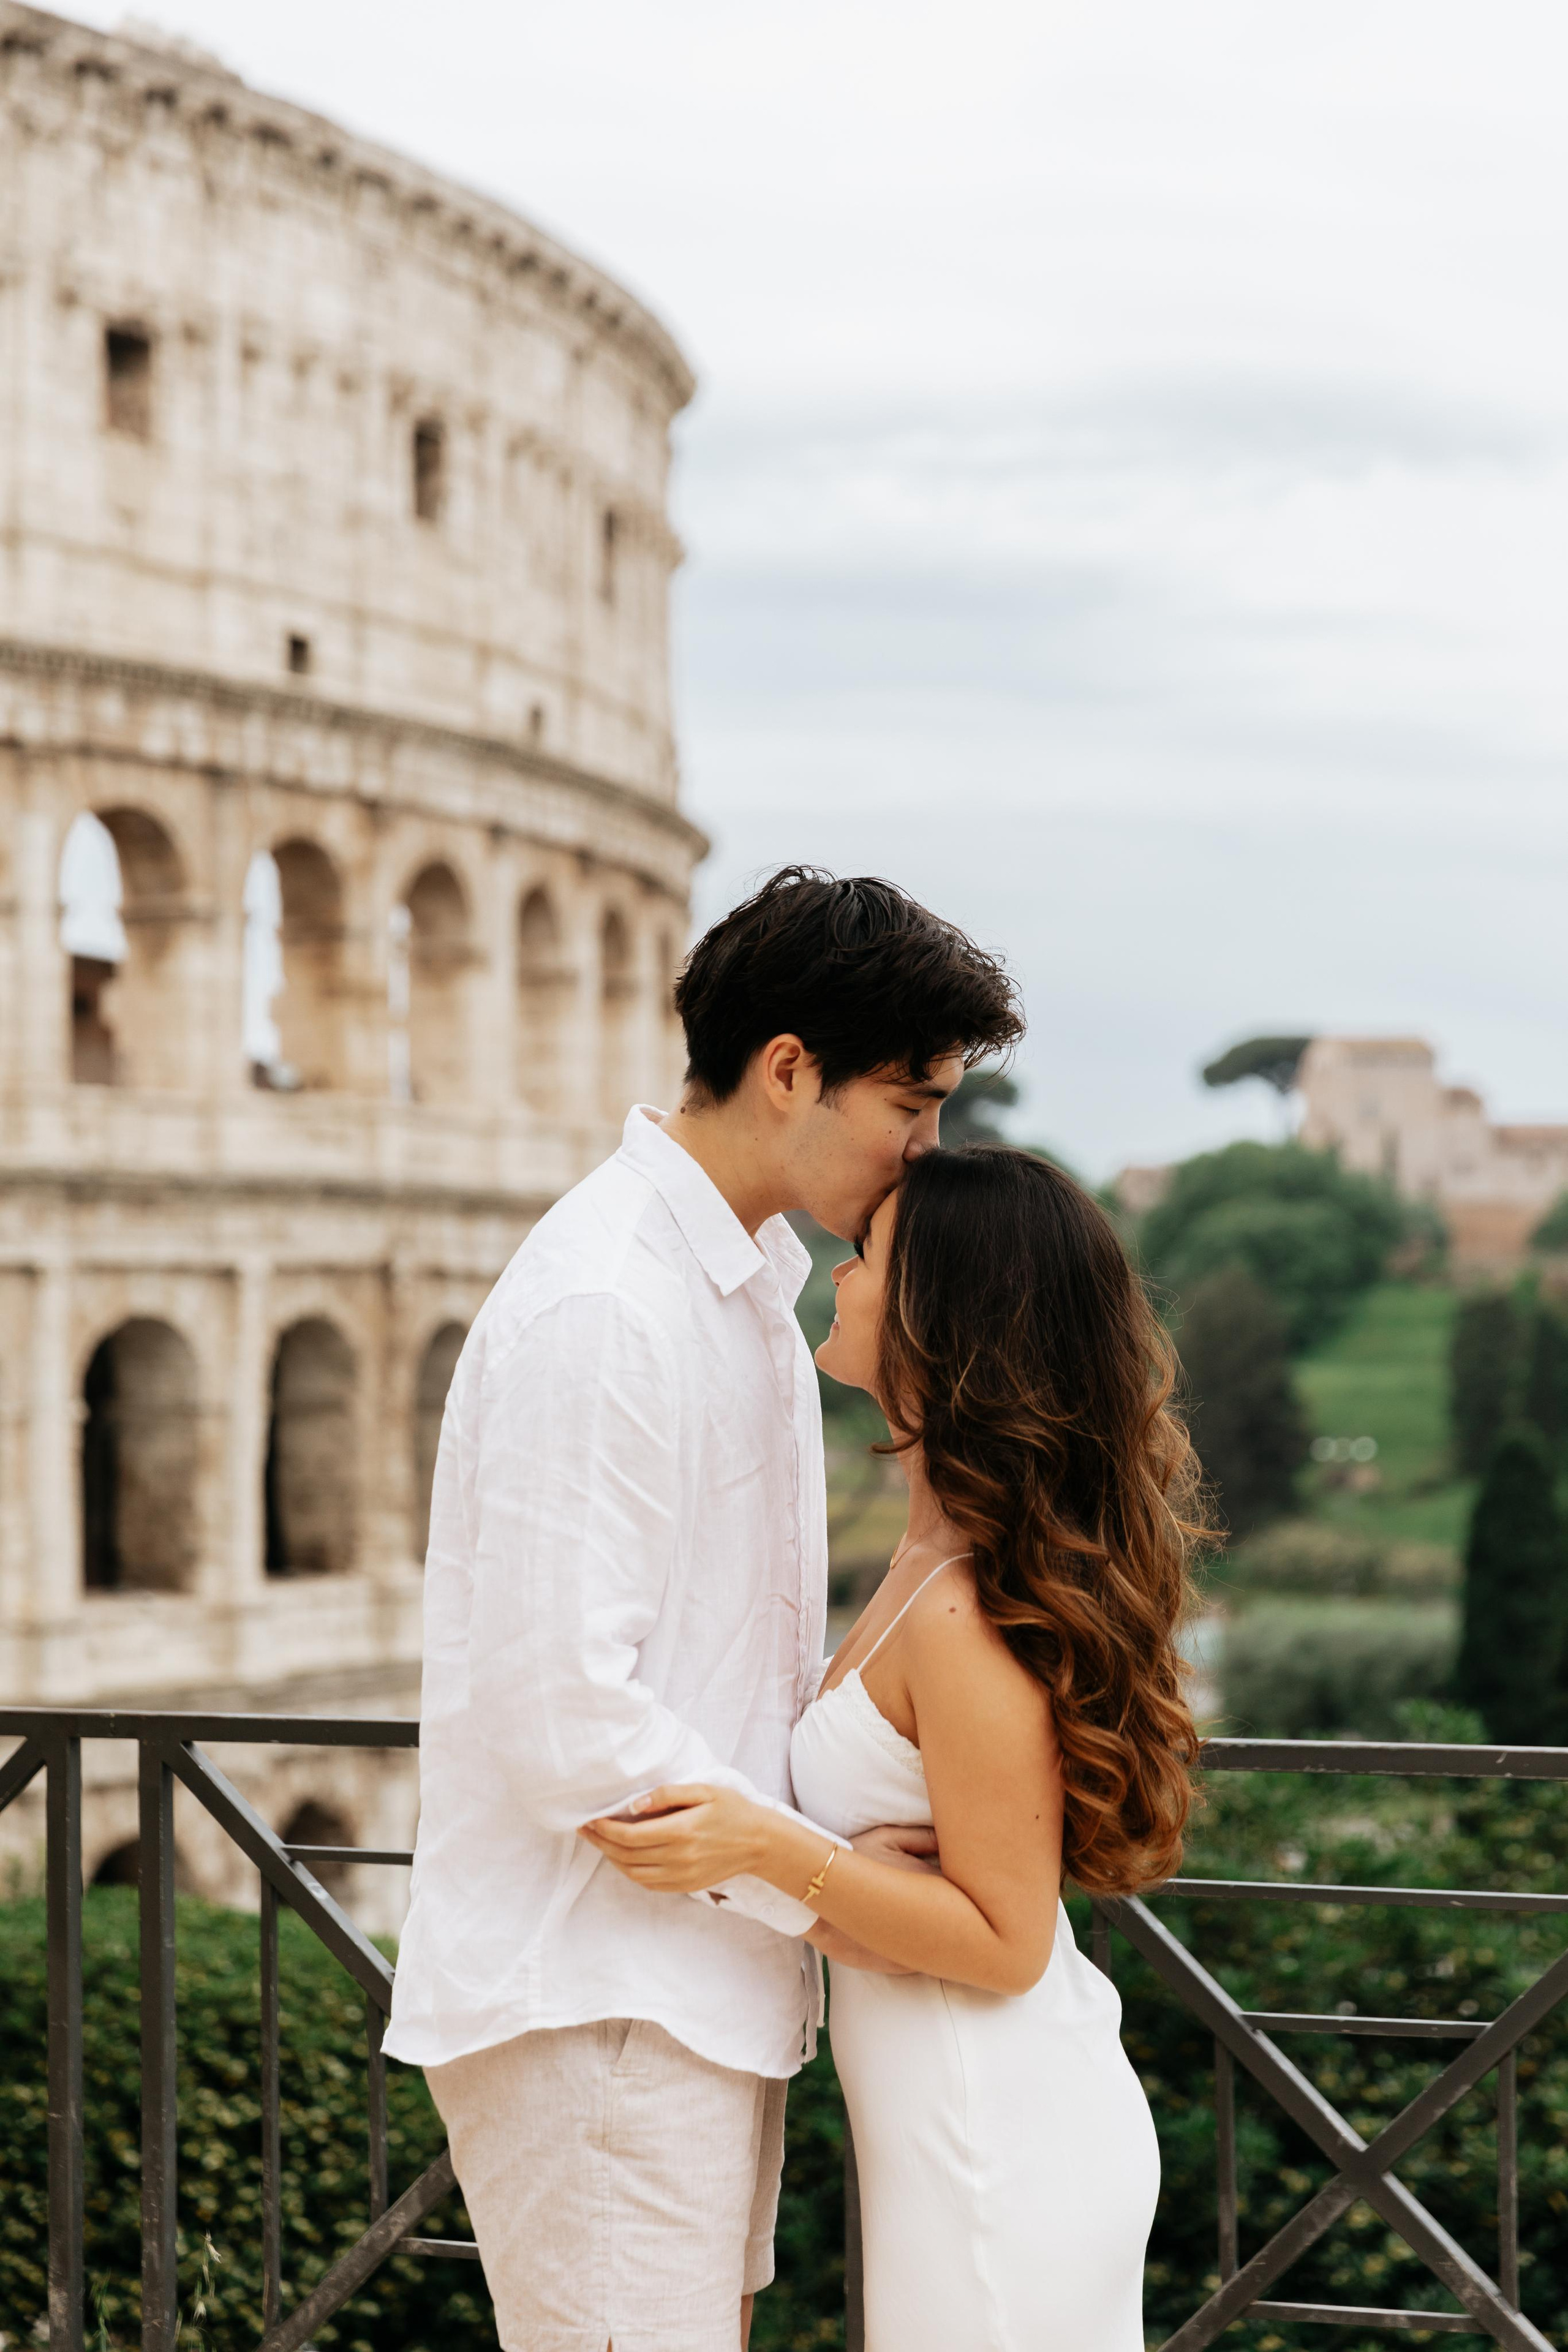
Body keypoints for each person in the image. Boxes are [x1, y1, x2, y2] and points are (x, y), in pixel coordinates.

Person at [383, 867, 1023, 2352]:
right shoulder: (609, 1303)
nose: (926, 1151)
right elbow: (563, 1718)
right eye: (909, 1103)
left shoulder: (733, 1287)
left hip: (683, 1984)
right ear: (788, 1069)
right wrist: (811, 1873)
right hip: (600, 1996)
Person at [584, 1144, 1207, 2351]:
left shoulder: (965, 1610)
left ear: (940, 1313)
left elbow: (1005, 1944)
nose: (838, 1271)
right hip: (950, 2119)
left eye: (866, 1254)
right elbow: (896, 1893)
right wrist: (812, 1872)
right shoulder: (929, 1556)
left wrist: (767, 1846)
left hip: (994, 2139)